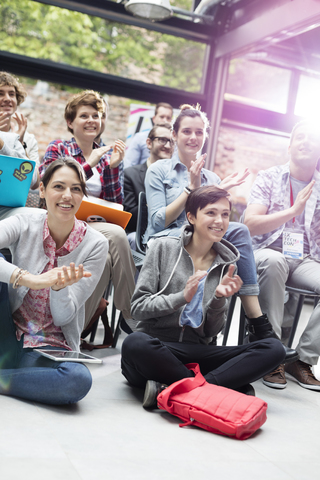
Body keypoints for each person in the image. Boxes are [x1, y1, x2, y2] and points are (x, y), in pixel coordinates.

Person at [143, 104, 296, 362]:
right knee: (238, 229)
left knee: (238, 229)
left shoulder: (211, 176)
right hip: (168, 238)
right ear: (175, 134)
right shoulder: (159, 170)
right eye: (187, 131)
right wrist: (192, 190)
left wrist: (219, 192)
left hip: (202, 241)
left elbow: (215, 222)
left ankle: (258, 325)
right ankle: (260, 326)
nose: (193, 138)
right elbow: (158, 222)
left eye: (199, 132)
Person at [121, 186, 285, 407]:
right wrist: (181, 297)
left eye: (225, 214)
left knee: (274, 349)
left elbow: (210, 332)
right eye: (211, 213)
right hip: (158, 348)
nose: (220, 220)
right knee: (135, 343)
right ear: (191, 217)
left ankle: (179, 390)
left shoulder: (227, 263)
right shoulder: (162, 248)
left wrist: (218, 300)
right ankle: (211, 390)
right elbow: (138, 308)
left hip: (198, 351)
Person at [0, 157, 109, 405]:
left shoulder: (96, 245)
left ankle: (5, 378)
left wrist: (59, 288)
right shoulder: (25, 221)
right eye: (59, 186)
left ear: (83, 196)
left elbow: (63, 318)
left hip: (46, 344)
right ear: (43, 189)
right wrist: (30, 279)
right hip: (7, 331)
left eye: (76, 189)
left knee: (77, 379)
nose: (67, 195)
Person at [40, 90, 135, 321]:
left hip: (93, 226)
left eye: (96, 115)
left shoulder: (109, 156)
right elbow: (49, 187)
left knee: (106, 257)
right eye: (84, 116)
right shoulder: (58, 148)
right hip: (61, 221)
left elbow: (116, 205)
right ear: (70, 123)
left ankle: (75, 327)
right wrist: (88, 164)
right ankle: (134, 315)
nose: (92, 120)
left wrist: (113, 167)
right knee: (118, 235)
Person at [244, 120, 320, 391]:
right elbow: (250, 223)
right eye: (300, 137)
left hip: (306, 259)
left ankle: (302, 360)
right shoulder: (269, 177)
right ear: (289, 146)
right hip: (268, 251)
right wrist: (292, 211)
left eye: (312, 138)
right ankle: (272, 354)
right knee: (274, 262)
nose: (306, 142)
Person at [124, 122, 174, 247]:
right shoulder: (130, 174)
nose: (168, 145)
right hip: (138, 233)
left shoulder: (177, 178)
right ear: (149, 143)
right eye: (162, 140)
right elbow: (129, 217)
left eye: (172, 142)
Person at [0, 71, 39, 165]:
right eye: (0, 93)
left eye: (12, 94)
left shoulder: (28, 139)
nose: (7, 99)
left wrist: (20, 144)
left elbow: (36, 179)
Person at [123, 102, 173, 168]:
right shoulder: (140, 138)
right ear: (154, 119)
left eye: (168, 118)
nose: (165, 120)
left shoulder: (175, 140)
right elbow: (129, 164)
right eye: (162, 117)